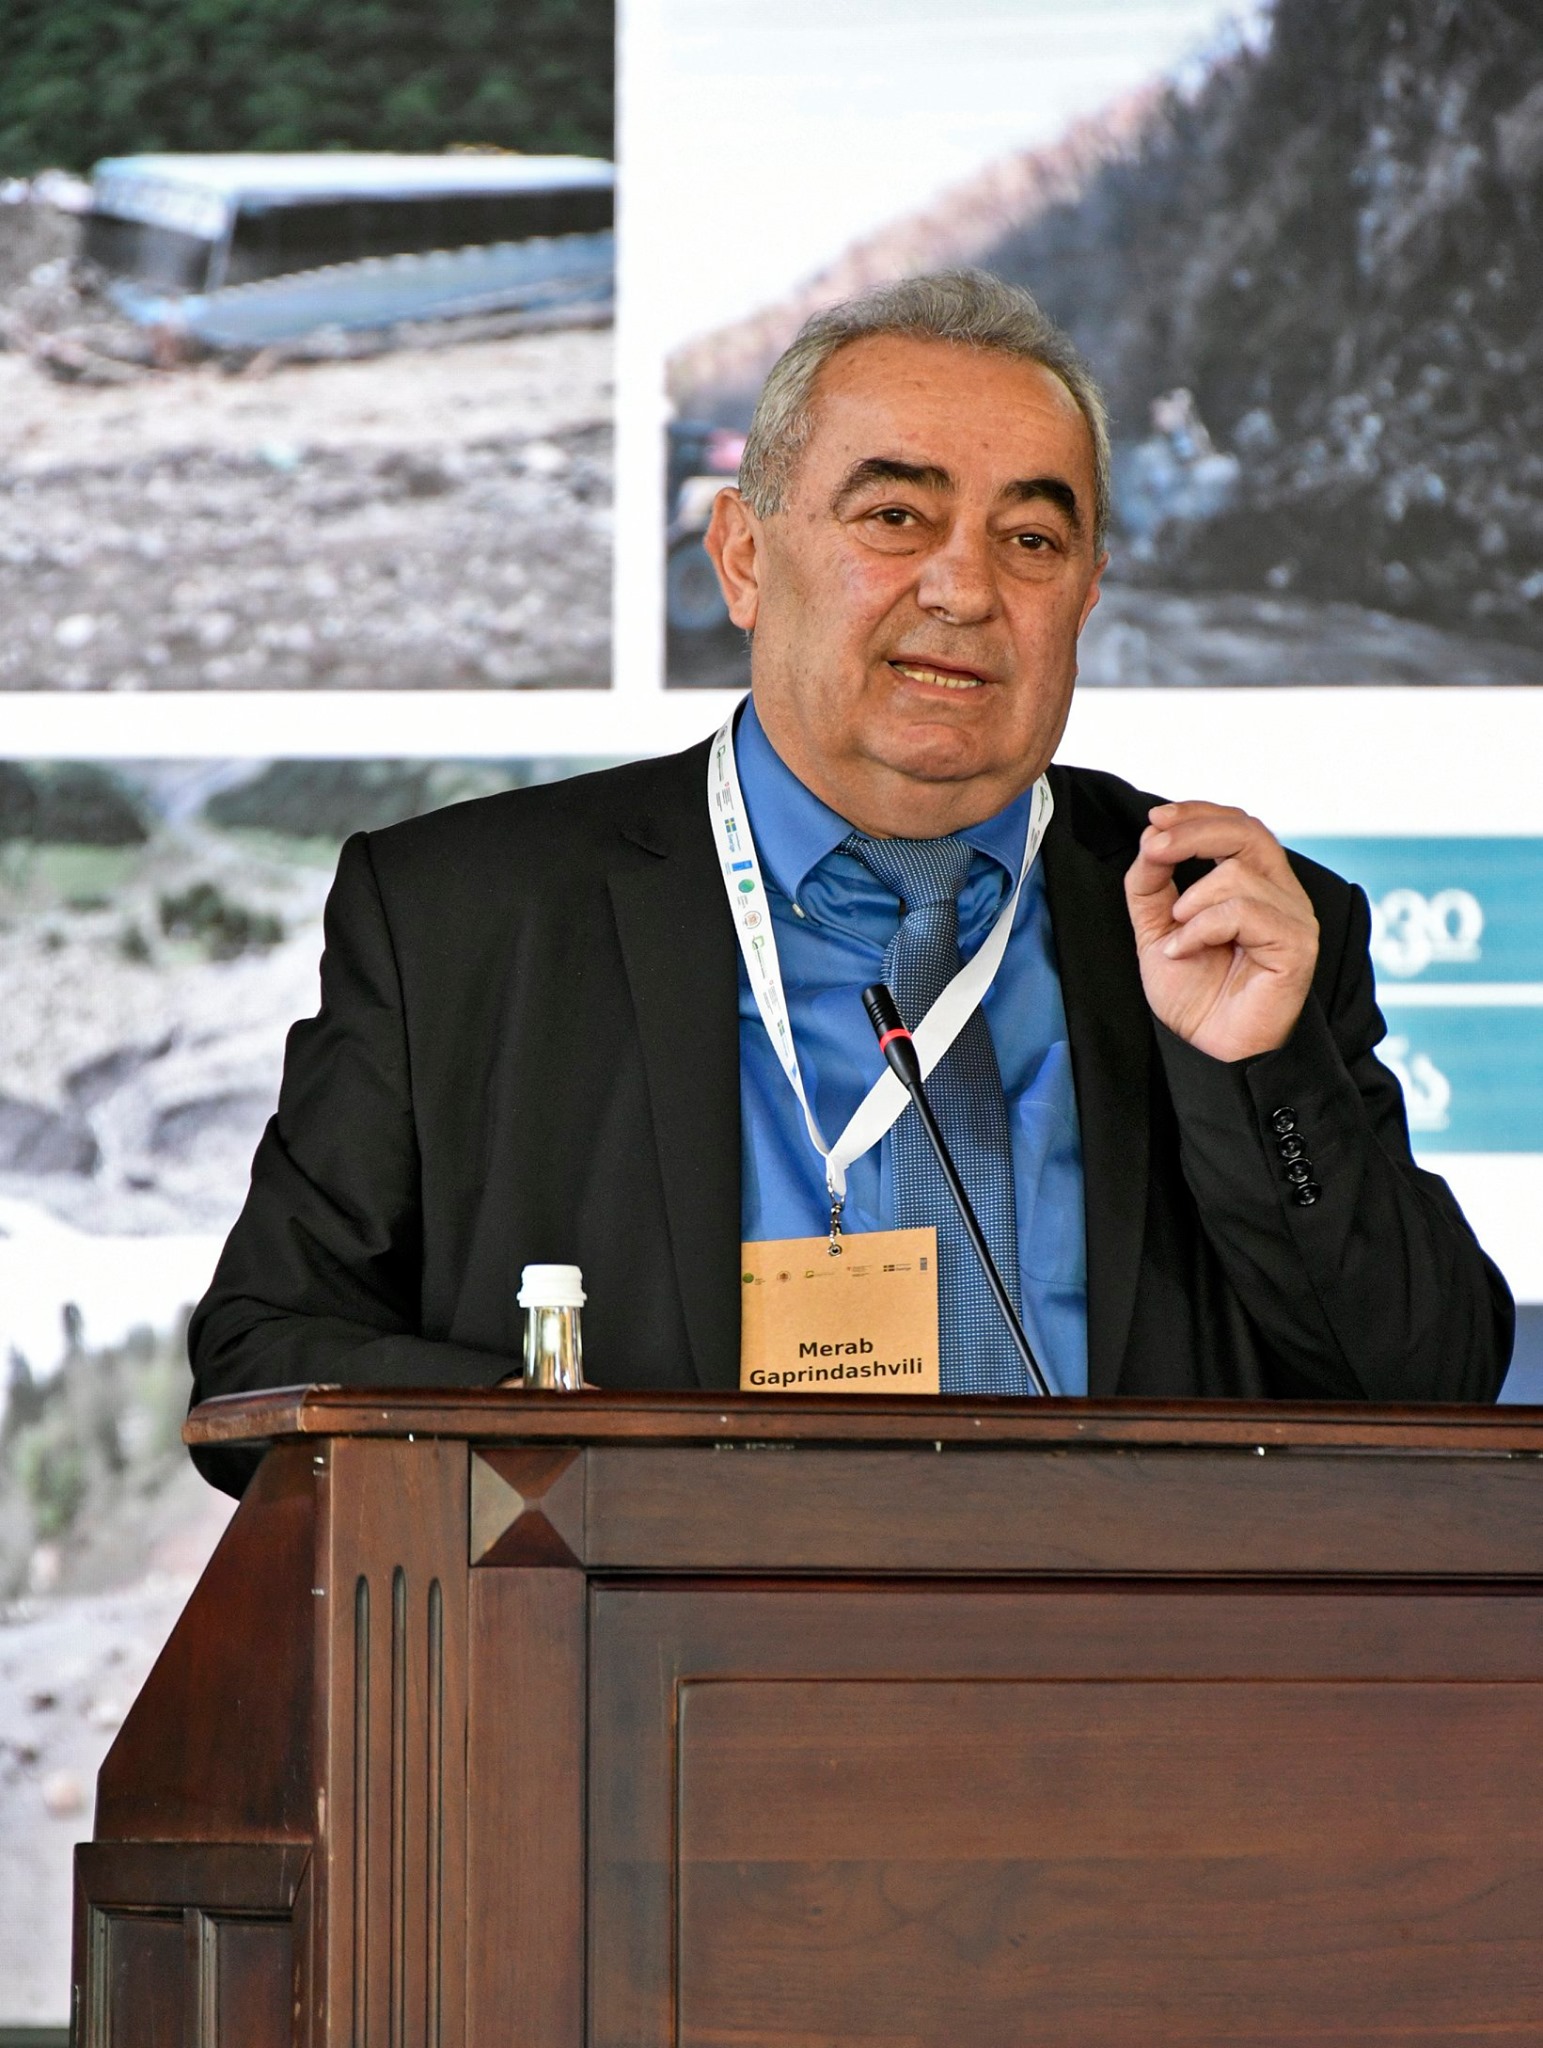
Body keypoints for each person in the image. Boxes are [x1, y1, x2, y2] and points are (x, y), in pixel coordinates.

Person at [188, 270, 1512, 1492]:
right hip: (643, 1657)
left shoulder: (1224, 919)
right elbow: (264, 1359)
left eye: (1031, 541)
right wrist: (562, 1462)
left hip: (1119, 1661)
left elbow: (1430, 1387)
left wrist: (1259, 1071)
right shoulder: (464, 918)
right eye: (896, 517)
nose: (964, 588)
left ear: (1087, 596)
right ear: (744, 558)